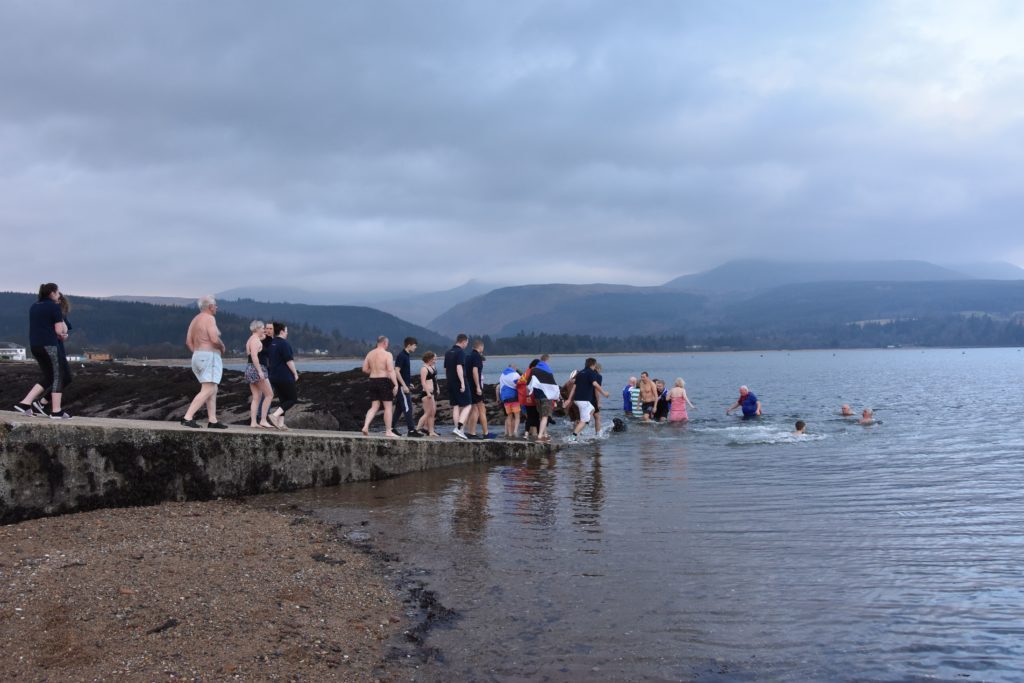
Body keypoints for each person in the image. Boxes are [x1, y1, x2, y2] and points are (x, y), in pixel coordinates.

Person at [13, 283, 71, 419]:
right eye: (57, 293)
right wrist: (62, 334)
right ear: (52, 293)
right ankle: (56, 411)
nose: (59, 295)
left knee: (49, 377)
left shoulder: (34, 306)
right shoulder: (54, 307)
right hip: (49, 346)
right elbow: (59, 330)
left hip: (35, 346)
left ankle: (25, 403)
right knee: (58, 376)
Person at [180, 295, 227, 428]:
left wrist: (199, 352)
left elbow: (188, 342)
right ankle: (187, 417)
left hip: (197, 356)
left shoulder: (195, 319)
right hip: (209, 356)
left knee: (213, 388)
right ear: (210, 307)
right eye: (216, 305)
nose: (217, 307)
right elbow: (214, 338)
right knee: (209, 388)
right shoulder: (210, 318)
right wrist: (222, 347)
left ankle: (212, 420)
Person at [32, 293, 74, 415]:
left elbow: (64, 330)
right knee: (58, 377)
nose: (58, 301)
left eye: (60, 299)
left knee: (66, 378)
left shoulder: (58, 313)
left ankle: (41, 402)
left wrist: (63, 335)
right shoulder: (49, 312)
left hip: (58, 347)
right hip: (52, 348)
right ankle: (42, 404)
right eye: (56, 298)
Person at [361, 336, 398, 437]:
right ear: (385, 343)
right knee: (388, 407)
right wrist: (395, 384)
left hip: (372, 380)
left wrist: (373, 371)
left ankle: (365, 426)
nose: (388, 345)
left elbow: (364, 369)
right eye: (387, 343)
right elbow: (390, 370)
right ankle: (388, 431)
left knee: (374, 406)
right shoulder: (387, 354)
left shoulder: (370, 353)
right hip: (383, 381)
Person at [565, 357, 609, 441]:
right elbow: (595, 384)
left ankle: (580, 429)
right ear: (594, 365)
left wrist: (569, 399)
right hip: (584, 400)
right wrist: (604, 393)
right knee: (584, 420)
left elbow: (574, 386)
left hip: (577, 400)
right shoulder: (591, 373)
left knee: (591, 410)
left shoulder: (580, 372)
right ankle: (573, 437)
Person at [267, 323, 299, 430]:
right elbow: (289, 360)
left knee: (283, 400)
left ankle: (280, 424)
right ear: (281, 331)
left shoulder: (272, 343)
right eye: (286, 330)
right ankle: (274, 416)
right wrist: (295, 373)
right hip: (284, 376)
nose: (287, 332)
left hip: (273, 376)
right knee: (292, 399)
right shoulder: (284, 344)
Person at [244, 320, 274, 428]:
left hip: (249, 368)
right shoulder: (256, 341)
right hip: (257, 369)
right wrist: (260, 371)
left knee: (256, 396)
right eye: (262, 328)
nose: (264, 330)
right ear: (257, 329)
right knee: (269, 395)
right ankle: (263, 420)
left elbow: (249, 354)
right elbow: (254, 356)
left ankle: (253, 422)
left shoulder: (250, 339)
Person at [443, 334, 473, 439]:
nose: (466, 345)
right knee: (468, 404)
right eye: (467, 343)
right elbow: (459, 367)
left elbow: (446, 369)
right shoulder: (460, 352)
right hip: (459, 381)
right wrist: (463, 383)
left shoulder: (448, 353)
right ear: (463, 341)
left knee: (455, 406)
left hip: (450, 382)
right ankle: (459, 428)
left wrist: (449, 381)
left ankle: (458, 431)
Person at [462, 339, 494, 439]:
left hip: (469, 386)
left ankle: (471, 432)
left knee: (474, 409)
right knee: (482, 409)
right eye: (482, 348)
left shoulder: (468, 357)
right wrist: (478, 386)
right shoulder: (477, 357)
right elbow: (475, 371)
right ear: (480, 347)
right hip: (475, 387)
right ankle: (486, 433)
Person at [391, 337, 420, 437]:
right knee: (408, 408)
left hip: (404, 385)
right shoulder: (402, 356)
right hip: (402, 388)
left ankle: (391, 428)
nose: (416, 348)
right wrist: (404, 385)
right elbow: (396, 371)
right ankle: (411, 431)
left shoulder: (407, 355)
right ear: (409, 345)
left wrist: (408, 383)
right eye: (415, 346)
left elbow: (403, 372)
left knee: (399, 409)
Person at [527, 358, 560, 442]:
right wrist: (557, 398)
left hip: (537, 397)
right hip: (546, 398)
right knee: (545, 417)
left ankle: (545, 433)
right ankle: (540, 436)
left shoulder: (534, 371)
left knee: (541, 416)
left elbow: (528, 383)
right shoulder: (549, 372)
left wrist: (528, 394)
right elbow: (554, 386)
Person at [415, 351, 440, 437]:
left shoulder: (431, 367)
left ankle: (431, 431)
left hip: (432, 393)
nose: (434, 361)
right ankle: (417, 429)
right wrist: (428, 393)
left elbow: (434, 379)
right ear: (429, 359)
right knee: (428, 413)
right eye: (433, 359)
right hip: (426, 393)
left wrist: (437, 388)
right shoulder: (424, 369)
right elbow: (423, 382)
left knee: (432, 413)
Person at [518, 359, 540, 441]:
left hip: (524, 398)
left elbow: (519, 383)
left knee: (529, 417)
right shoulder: (533, 372)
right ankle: (535, 434)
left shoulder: (526, 372)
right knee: (536, 417)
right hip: (532, 397)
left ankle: (527, 434)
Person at [497, 364, 521, 438]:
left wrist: (499, 398)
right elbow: (520, 384)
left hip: (505, 399)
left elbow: (499, 387)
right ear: (515, 368)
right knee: (517, 416)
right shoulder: (515, 374)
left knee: (509, 416)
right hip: (514, 398)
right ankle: (515, 431)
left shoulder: (502, 375)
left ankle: (509, 434)